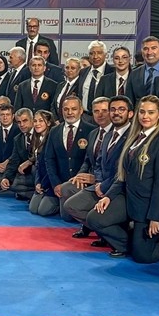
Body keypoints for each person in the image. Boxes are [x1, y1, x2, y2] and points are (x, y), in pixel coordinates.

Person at [88, 95, 159, 262]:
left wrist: (155, 218)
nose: (145, 116)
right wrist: (109, 197)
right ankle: (132, 243)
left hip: (147, 207)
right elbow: (123, 175)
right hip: (128, 199)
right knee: (94, 219)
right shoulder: (134, 138)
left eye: (151, 112)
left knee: (143, 257)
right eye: (142, 112)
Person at [64, 97, 132, 236]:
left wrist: (98, 182)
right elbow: (92, 161)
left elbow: (122, 170)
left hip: (118, 187)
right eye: (96, 111)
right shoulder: (96, 133)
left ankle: (108, 231)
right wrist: (92, 179)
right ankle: (98, 228)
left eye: (104, 111)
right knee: (69, 205)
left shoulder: (129, 134)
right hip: (99, 182)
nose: (100, 114)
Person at [37, 95, 97, 217]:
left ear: (81, 111)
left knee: (67, 217)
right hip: (59, 182)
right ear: (61, 110)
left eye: (74, 109)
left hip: (79, 184)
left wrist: (80, 179)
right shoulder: (54, 131)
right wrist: (56, 184)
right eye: (66, 109)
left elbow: (90, 160)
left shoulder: (91, 130)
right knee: (41, 210)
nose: (70, 112)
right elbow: (49, 159)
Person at [5, 109, 50, 199]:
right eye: (19, 122)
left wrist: (30, 161)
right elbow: (14, 160)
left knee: (34, 168)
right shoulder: (18, 139)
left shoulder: (42, 133)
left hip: (42, 172)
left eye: (25, 121)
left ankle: (35, 193)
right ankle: (32, 193)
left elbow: (45, 157)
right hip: (26, 174)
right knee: (12, 184)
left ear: (31, 119)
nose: (22, 125)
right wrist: (6, 177)